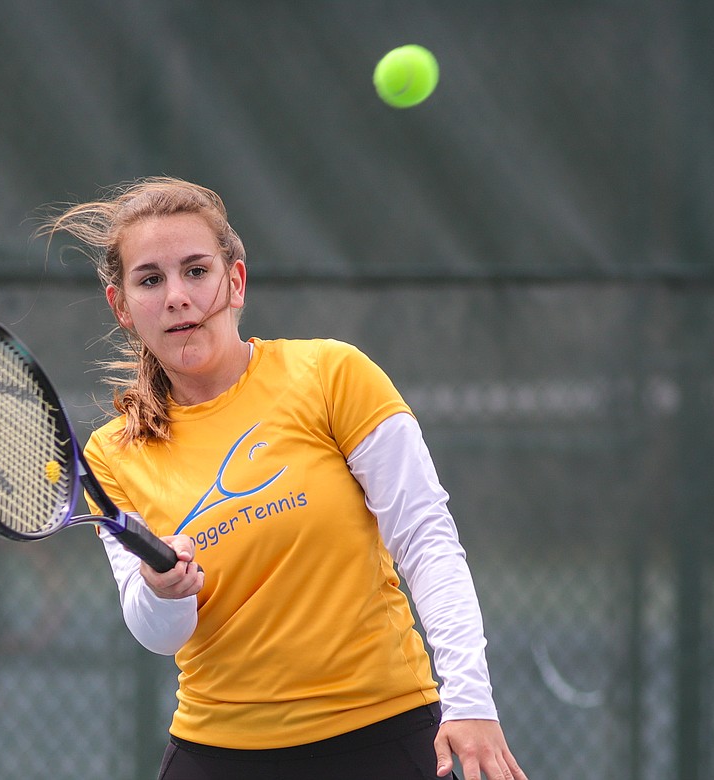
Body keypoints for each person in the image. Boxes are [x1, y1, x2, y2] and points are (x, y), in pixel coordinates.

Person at [39, 177, 527, 780]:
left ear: (235, 282)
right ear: (122, 306)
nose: (176, 297)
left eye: (196, 270)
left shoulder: (331, 374)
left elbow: (426, 538)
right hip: (217, 753)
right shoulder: (111, 454)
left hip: (381, 734)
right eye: (150, 280)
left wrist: (470, 697)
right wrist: (163, 590)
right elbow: (159, 635)